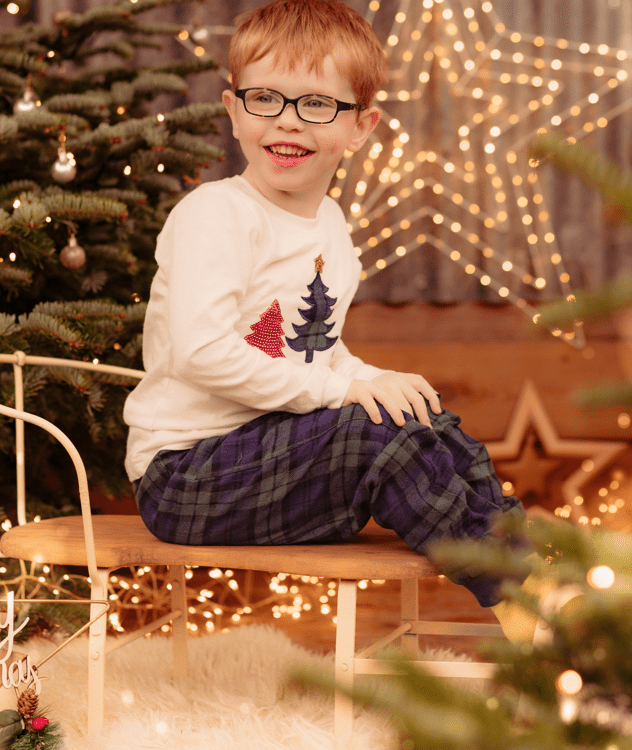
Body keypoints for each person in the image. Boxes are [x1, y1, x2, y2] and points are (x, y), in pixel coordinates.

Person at [124, 0, 543, 642]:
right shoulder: (216, 215)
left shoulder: (330, 226)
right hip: (186, 476)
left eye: (317, 104)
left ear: (361, 126)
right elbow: (200, 352)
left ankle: (532, 563)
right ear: (234, 108)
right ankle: (523, 599)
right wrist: (342, 391)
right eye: (266, 98)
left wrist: (371, 377)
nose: (286, 123)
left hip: (273, 453)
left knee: (417, 415)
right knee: (377, 436)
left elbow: (317, 348)